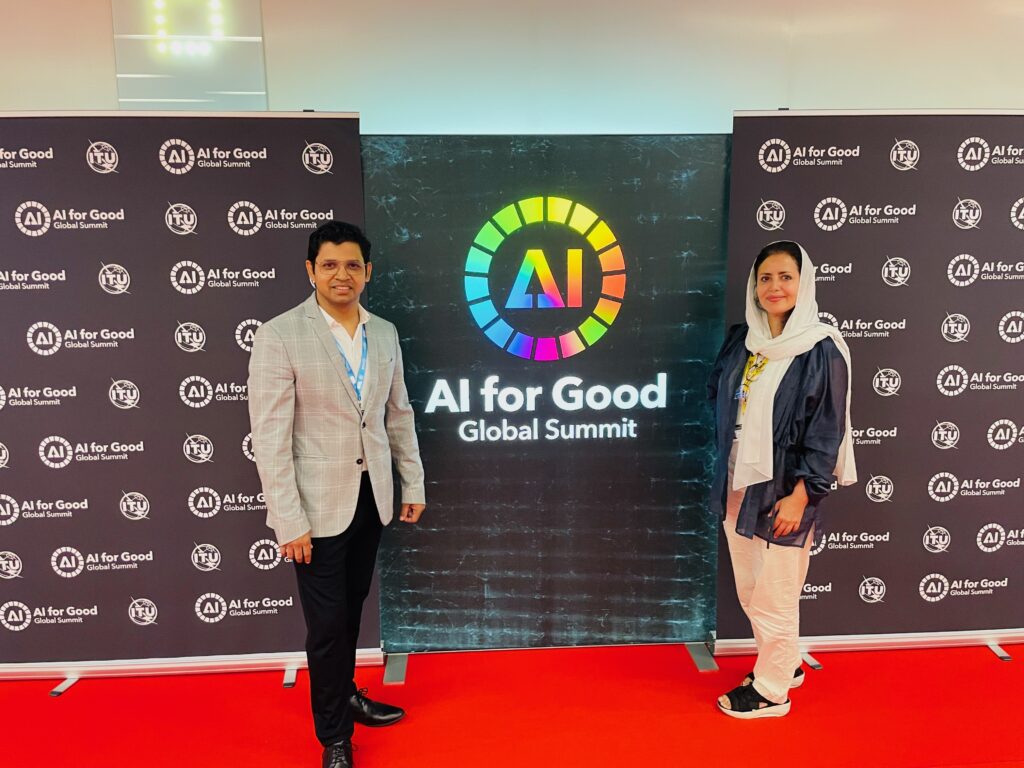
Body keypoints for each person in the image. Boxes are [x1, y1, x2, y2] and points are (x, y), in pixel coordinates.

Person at [248, 220, 426, 767]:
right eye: (329, 265)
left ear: (367, 272)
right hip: (315, 509)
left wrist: (412, 481)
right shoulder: (279, 335)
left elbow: (398, 414)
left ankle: (346, 694)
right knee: (326, 627)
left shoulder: (385, 333)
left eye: (352, 265)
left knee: (350, 612)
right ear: (311, 271)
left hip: (372, 498)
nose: (341, 275)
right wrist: (289, 521)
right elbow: (270, 438)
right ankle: (334, 737)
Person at [707, 240, 856, 719]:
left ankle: (772, 691)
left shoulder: (820, 349)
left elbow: (827, 430)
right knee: (752, 589)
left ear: (803, 283)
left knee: (775, 593)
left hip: (786, 490)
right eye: (765, 278)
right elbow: (717, 394)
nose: (775, 287)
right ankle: (784, 662)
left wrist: (802, 495)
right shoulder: (742, 340)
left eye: (785, 277)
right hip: (736, 482)